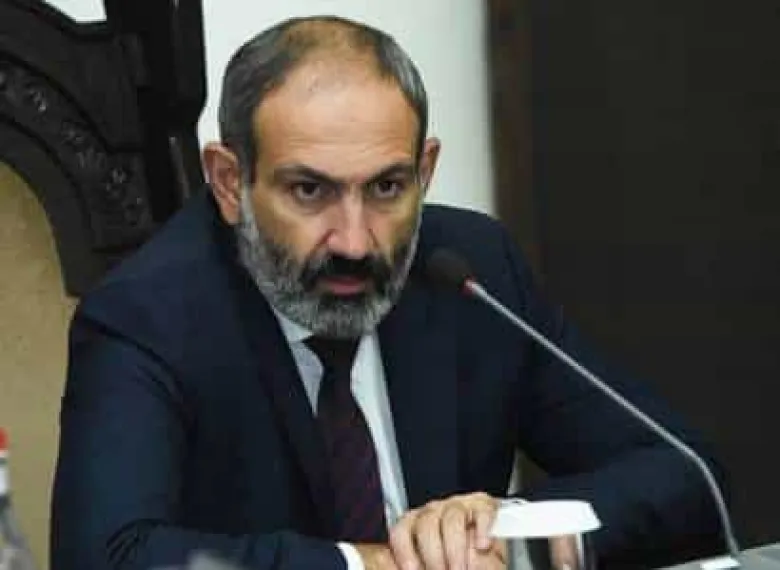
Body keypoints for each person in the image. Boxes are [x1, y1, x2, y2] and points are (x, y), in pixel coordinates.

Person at [51, 15, 724, 570]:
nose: (355, 241)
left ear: (425, 171)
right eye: (309, 190)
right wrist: (367, 565)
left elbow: (684, 472)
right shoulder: (148, 316)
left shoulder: (471, 272)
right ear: (230, 182)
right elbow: (104, 557)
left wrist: (512, 532)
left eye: (387, 188)